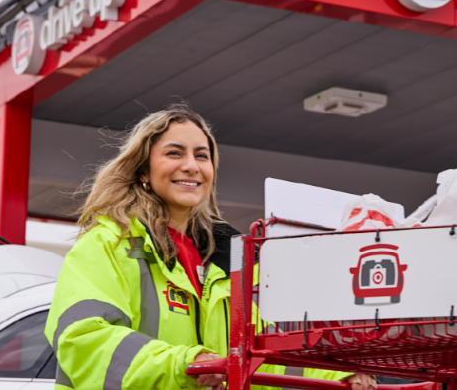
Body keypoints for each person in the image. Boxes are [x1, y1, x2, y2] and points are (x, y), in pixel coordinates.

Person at [45, 103, 377, 390]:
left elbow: (274, 353)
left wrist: (340, 374)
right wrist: (185, 364)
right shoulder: (107, 244)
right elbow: (82, 341)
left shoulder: (242, 261)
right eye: (174, 153)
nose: (191, 165)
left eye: (202, 156)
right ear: (143, 170)